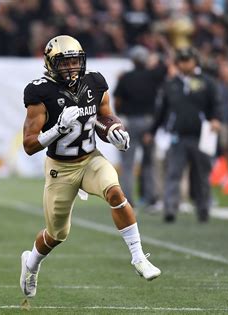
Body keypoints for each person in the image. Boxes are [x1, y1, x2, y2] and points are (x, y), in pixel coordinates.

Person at [19, 35, 161, 298]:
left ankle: (139, 256)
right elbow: (29, 145)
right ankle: (31, 263)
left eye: (75, 61)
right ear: (51, 64)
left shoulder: (94, 83)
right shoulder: (40, 92)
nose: (72, 67)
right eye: (65, 62)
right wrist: (57, 129)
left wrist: (116, 131)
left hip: (91, 159)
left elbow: (104, 118)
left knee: (116, 193)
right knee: (56, 234)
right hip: (60, 169)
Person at [145, 47, 222, 223]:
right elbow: (161, 111)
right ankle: (170, 208)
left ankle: (203, 209)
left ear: (195, 61)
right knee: (173, 173)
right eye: (181, 61)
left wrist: (216, 119)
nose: (184, 64)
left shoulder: (207, 82)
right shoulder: (171, 84)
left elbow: (216, 104)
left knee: (201, 175)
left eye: (187, 60)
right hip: (177, 136)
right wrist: (152, 131)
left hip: (201, 135)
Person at [113, 45, 167, 208]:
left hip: (130, 123)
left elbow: (117, 101)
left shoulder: (126, 77)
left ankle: (127, 201)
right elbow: (165, 67)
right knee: (149, 163)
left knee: (128, 165)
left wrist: (121, 115)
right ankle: (151, 198)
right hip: (149, 122)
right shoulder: (153, 76)